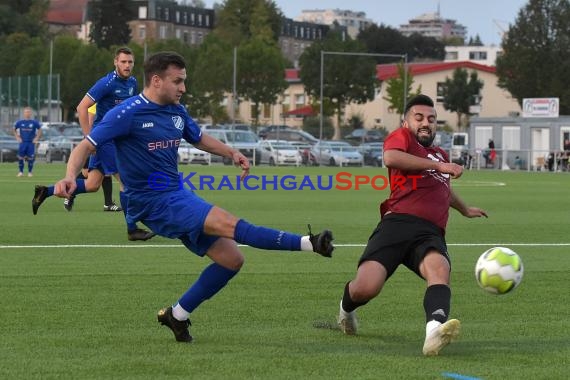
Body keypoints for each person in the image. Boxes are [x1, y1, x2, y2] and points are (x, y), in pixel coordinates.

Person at [49, 51, 334, 343]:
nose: (183, 88)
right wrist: (71, 176)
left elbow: (197, 138)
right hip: (153, 203)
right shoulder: (127, 112)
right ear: (157, 80)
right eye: (178, 81)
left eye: (184, 81)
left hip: (177, 194)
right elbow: (84, 147)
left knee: (231, 259)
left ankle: (178, 315)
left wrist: (231, 152)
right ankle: (310, 243)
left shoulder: (176, 110)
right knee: (229, 223)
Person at [336, 94, 487, 356]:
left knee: (439, 269)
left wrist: (465, 209)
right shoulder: (403, 139)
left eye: (431, 118)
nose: (425, 123)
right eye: (419, 118)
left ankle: (433, 333)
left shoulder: (439, 154)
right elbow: (391, 158)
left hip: (430, 232)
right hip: (396, 224)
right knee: (366, 288)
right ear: (406, 121)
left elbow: (442, 189)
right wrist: (439, 165)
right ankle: (345, 310)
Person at [32, 47, 154, 241]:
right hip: (104, 139)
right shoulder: (106, 83)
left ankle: (44, 192)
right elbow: (82, 107)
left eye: (130, 62)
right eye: (123, 62)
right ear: (115, 62)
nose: (127, 65)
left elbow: (130, 111)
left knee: (92, 184)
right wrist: (90, 138)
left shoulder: (132, 83)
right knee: (126, 181)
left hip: (118, 139)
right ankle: (132, 229)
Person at [13, 107, 41, 177]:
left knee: (30, 158)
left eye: (28, 112)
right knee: (20, 157)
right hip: (23, 143)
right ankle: (20, 172)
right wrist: (17, 137)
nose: (27, 113)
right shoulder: (20, 122)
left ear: (30, 113)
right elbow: (14, 129)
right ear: (24, 113)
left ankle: (30, 172)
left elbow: (40, 130)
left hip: (31, 143)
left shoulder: (34, 122)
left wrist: (36, 138)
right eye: (26, 112)